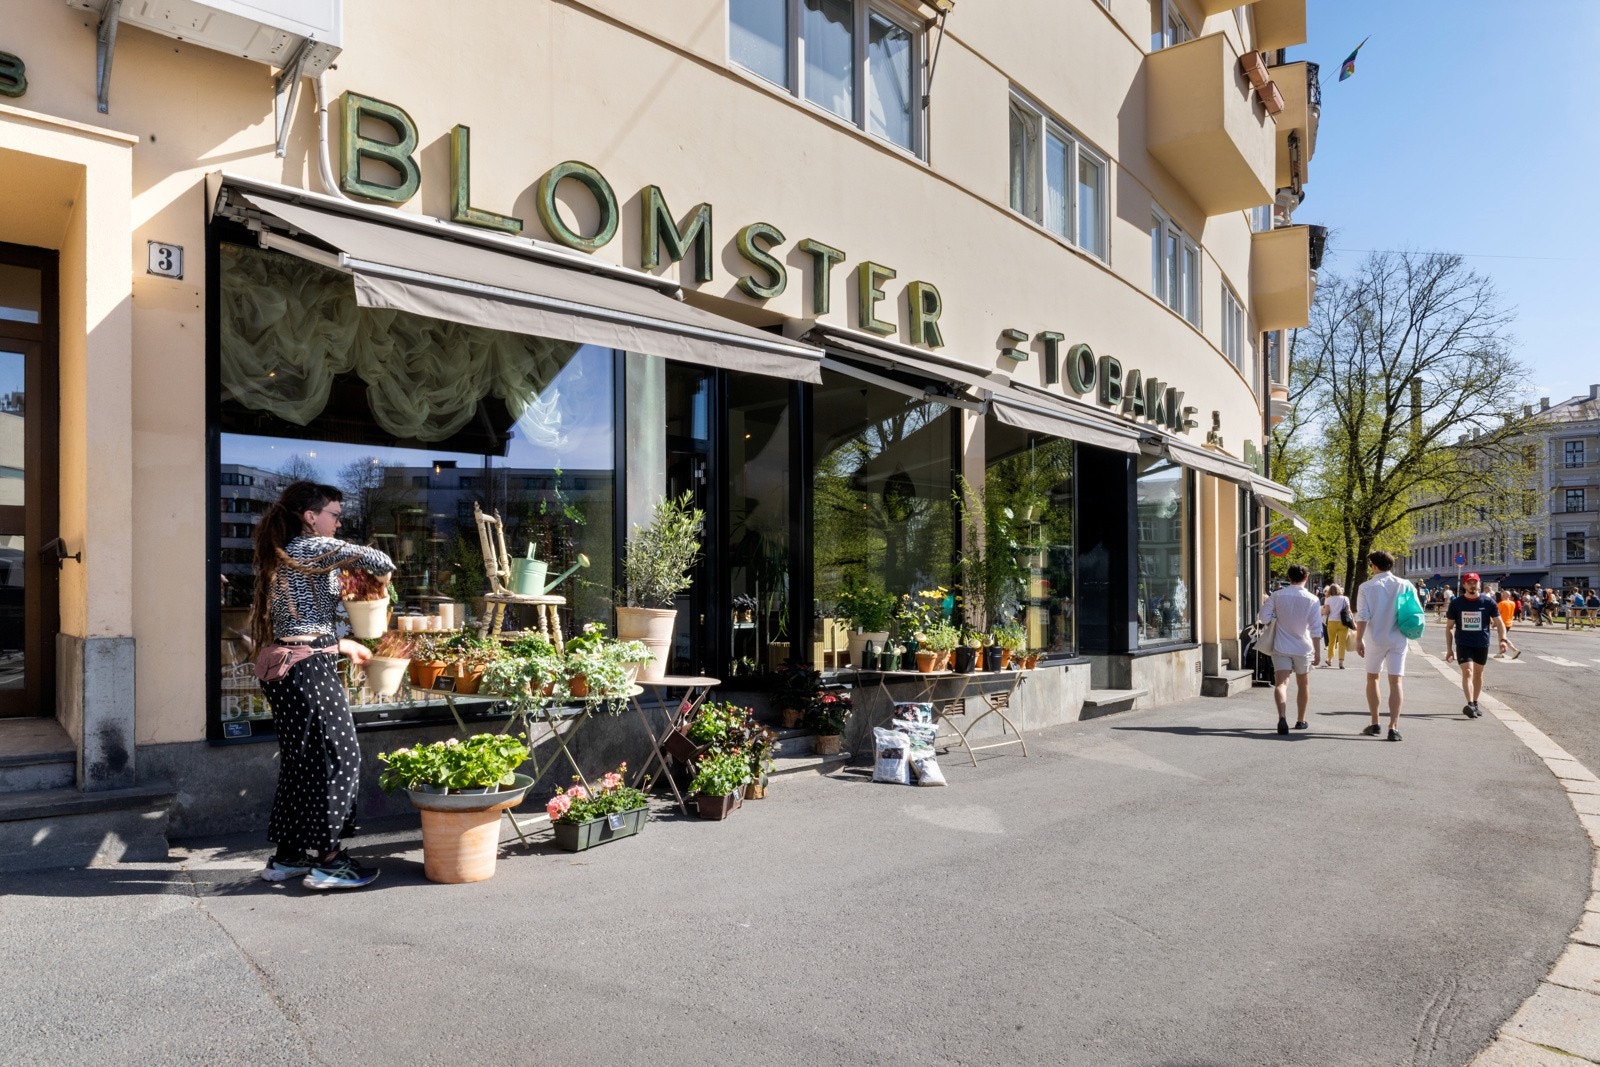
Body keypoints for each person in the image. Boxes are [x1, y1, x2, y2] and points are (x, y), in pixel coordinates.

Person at [251, 481, 395, 890]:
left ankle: (290, 856)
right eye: (334, 513)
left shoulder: (285, 554)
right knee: (340, 757)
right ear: (310, 517)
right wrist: (382, 575)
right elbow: (376, 557)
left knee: (303, 763)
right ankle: (330, 860)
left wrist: (342, 642)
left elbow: (304, 622)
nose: (339, 521)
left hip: (291, 666)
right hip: (308, 669)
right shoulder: (307, 546)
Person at [1353, 549, 1409, 742]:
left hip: (1375, 638)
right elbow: (1413, 611)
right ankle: (1393, 726)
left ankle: (1375, 722)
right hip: (1398, 638)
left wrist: (1358, 639)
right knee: (1396, 682)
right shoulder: (1405, 585)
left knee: (1372, 678)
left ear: (1374, 566)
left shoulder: (1366, 587)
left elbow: (1363, 616)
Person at [1259, 563, 1322, 733]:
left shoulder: (1277, 595)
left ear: (1289, 578)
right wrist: (1318, 652)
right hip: (1304, 647)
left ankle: (1282, 718)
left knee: (1281, 684)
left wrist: (1275, 615)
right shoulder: (1313, 599)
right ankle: (1301, 720)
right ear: (1306, 578)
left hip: (1281, 645)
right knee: (1303, 684)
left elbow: (1263, 618)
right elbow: (1316, 628)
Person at [1445, 572, 1511, 718]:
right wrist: (1449, 649)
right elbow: (1449, 627)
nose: (1472, 585)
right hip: (1463, 643)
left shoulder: (1488, 602)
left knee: (1478, 673)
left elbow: (1499, 623)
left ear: (1479, 584)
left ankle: (1475, 702)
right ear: (1464, 585)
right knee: (1467, 671)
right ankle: (1469, 704)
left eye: (1475, 582)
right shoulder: (1457, 603)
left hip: (1482, 642)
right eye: (1469, 582)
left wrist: (1503, 640)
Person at [1321, 582, 1352, 669]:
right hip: (1343, 623)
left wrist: (1322, 611)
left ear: (1330, 591)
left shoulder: (1328, 599)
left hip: (1331, 622)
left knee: (1331, 642)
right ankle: (1341, 662)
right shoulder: (1345, 598)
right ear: (1339, 590)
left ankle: (1329, 659)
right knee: (1342, 643)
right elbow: (1348, 611)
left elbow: (1326, 612)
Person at [1493, 590, 1522, 659]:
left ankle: (1514, 650)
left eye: (1502, 594)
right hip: (1509, 622)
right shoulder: (1513, 603)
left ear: (1503, 596)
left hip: (1502, 623)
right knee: (1501, 638)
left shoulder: (1501, 603)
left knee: (1503, 638)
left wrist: (1494, 623)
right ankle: (1501, 652)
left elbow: (1497, 614)